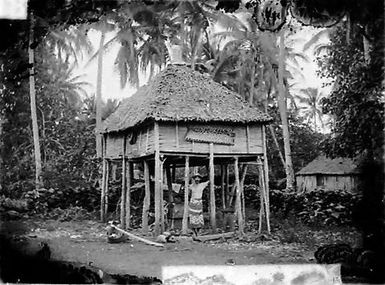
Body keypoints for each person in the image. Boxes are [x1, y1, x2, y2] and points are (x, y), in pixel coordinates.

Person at [188, 173, 209, 238]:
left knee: (199, 216)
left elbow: (209, 181)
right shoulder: (191, 186)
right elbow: (186, 188)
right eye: (195, 179)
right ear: (194, 179)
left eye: (198, 178)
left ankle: (198, 231)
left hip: (199, 202)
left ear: (200, 179)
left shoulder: (202, 185)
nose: (197, 180)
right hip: (193, 201)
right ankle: (194, 231)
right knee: (192, 216)